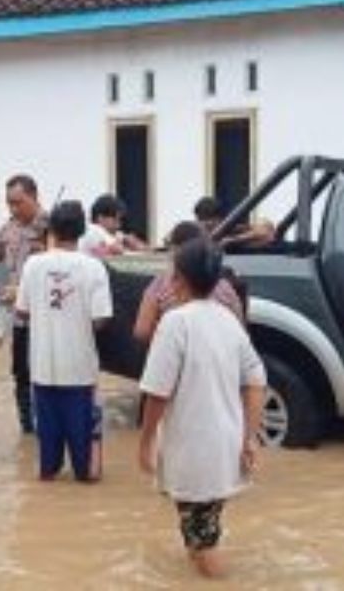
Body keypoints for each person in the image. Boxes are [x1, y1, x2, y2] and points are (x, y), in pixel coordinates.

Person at [138, 238, 266, 578]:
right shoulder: (227, 320)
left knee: (203, 542)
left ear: (179, 278)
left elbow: (157, 392)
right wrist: (248, 438)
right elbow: (256, 382)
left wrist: (145, 441)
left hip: (196, 453)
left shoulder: (176, 323)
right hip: (224, 447)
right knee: (201, 533)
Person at [16, 200, 113, 482]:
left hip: (43, 369)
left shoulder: (33, 265)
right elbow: (100, 319)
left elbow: (22, 311)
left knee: (48, 469)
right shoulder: (94, 268)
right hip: (80, 371)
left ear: (52, 230)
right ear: (82, 231)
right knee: (86, 472)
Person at [0, 174, 48, 434]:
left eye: (18, 202)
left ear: (34, 197)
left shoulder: (52, 226)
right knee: (21, 372)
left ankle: (49, 426)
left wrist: (24, 289)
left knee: (48, 373)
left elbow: (62, 271)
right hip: (21, 319)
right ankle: (27, 430)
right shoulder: (9, 228)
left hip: (49, 317)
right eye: (9, 203)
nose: (13, 209)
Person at [133, 221, 244, 344]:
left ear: (174, 249)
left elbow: (142, 331)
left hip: (174, 356)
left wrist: (168, 342)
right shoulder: (224, 287)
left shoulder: (160, 285)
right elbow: (239, 331)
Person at [193, 196, 275, 249]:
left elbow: (267, 231)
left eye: (211, 220)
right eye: (202, 220)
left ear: (219, 219)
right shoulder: (195, 237)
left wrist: (233, 240)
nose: (207, 224)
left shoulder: (231, 230)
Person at [78, 194, 147, 257]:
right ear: (100, 218)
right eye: (115, 220)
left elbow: (140, 246)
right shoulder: (94, 230)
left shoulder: (111, 233)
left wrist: (132, 242)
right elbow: (119, 251)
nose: (118, 225)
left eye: (120, 219)